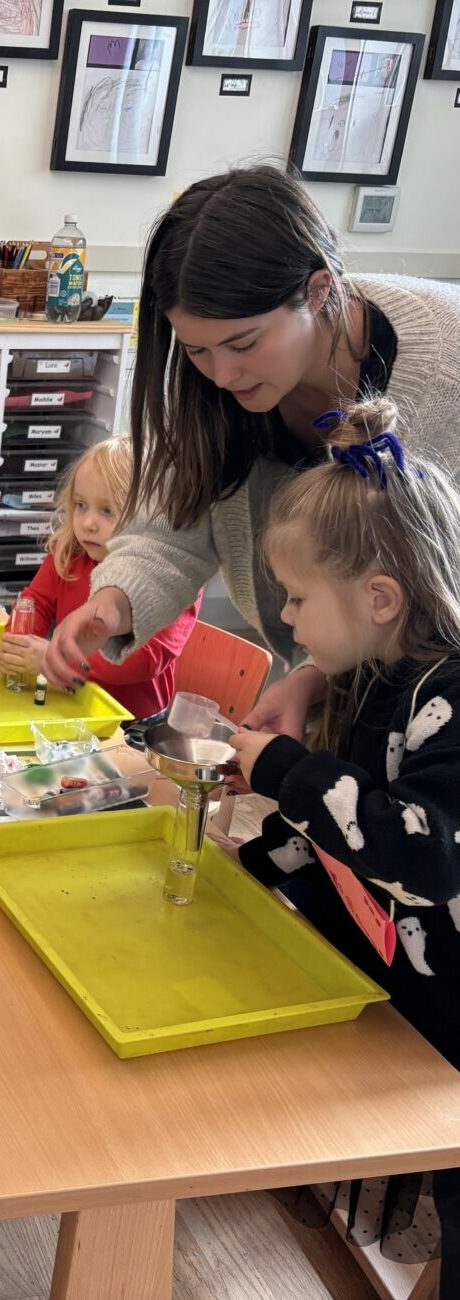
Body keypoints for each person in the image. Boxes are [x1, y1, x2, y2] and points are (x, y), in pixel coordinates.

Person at [41, 165, 460, 742]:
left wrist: (317, 678)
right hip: (345, 684)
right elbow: (178, 521)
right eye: (197, 351)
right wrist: (115, 600)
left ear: (318, 291)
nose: (222, 374)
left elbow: (431, 598)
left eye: (243, 344)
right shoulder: (213, 382)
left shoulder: (446, 366)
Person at [223, 401, 460, 1290]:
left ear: (380, 599)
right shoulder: (380, 674)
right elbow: (340, 839)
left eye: (296, 597)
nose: (286, 620)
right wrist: (246, 873)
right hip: (403, 1001)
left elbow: (421, 853)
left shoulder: (448, 698)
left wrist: (285, 769)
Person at [0, 437, 200, 718]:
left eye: (107, 511)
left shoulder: (174, 577)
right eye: (81, 505)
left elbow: (145, 659)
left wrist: (55, 658)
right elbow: (36, 603)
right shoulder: (70, 551)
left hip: (132, 723)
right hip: (69, 702)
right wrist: (17, 645)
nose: (87, 523)